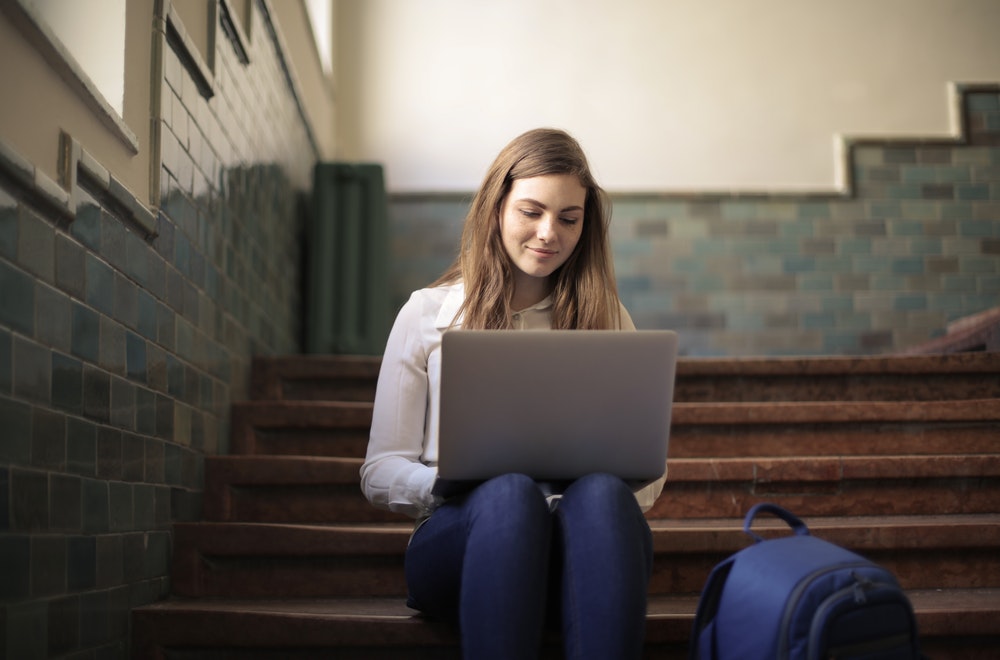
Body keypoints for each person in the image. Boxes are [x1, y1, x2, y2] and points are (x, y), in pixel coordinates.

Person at [360, 128, 665, 659]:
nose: (549, 233)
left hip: (583, 552)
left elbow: (648, 476)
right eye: (532, 211)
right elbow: (381, 468)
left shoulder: (609, 321)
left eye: (569, 219)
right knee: (507, 494)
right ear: (496, 207)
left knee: (601, 495)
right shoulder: (428, 314)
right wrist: (448, 485)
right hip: (463, 544)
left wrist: (568, 501)